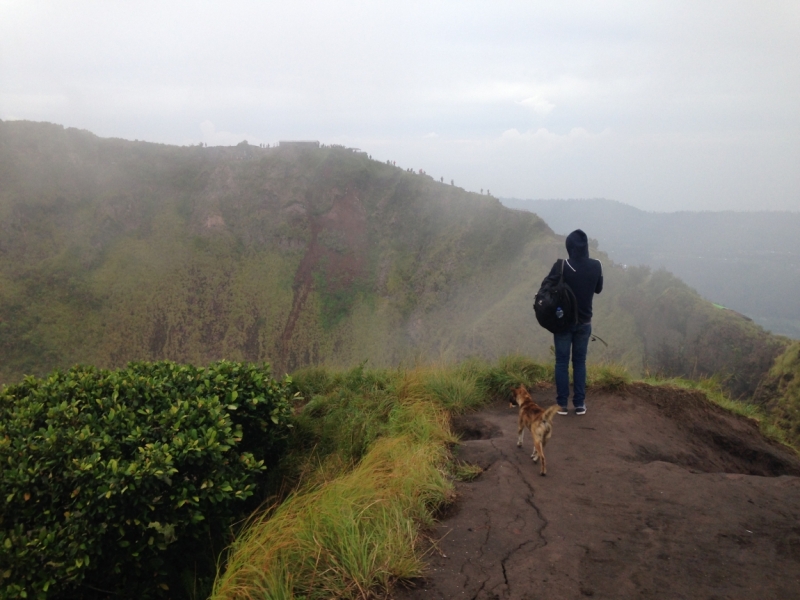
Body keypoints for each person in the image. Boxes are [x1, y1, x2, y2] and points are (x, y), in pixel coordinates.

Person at [541, 229, 603, 415]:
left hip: (563, 323)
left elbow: (546, 287)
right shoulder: (596, 265)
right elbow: (598, 289)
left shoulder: (562, 266)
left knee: (561, 362)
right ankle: (580, 404)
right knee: (580, 362)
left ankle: (561, 405)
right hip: (585, 322)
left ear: (569, 247)